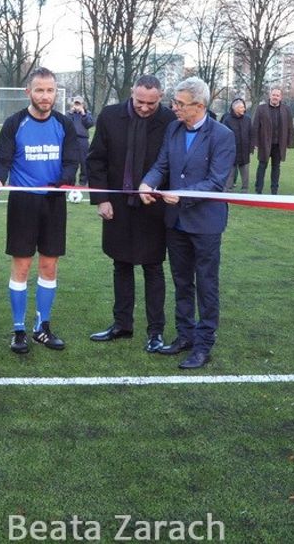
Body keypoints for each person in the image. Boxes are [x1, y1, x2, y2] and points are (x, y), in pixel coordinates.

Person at [138, 76, 235, 370]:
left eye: (180, 104)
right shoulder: (174, 129)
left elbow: (216, 182)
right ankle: (185, 335)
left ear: (199, 105)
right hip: (176, 222)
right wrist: (147, 183)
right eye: (174, 102)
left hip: (205, 223)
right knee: (181, 281)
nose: (174, 108)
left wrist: (180, 196)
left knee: (206, 283)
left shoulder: (222, 135)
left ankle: (204, 345)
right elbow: (162, 164)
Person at [0, 67, 82, 354]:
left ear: (56, 93)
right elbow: (2, 160)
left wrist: (62, 181)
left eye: (50, 90)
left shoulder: (64, 124)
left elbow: (72, 160)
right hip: (23, 201)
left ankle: (42, 327)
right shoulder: (15, 123)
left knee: (49, 265)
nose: (45, 96)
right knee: (22, 266)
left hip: (53, 201)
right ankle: (18, 330)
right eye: (39, 90)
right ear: (29, 92)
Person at [86, 75, 177, 352]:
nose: (146, 107)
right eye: (140, 101)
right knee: (121, 264)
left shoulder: (170, 121)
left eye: (152, 102)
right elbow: (96, 160)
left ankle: (155, 332)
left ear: (161, 97)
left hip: (154, 206)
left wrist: (162, 190)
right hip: (118, 205)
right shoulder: (110, 116)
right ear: (131, 93)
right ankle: (122, 325)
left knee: (153, 267)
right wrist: (101, 199)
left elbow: (173, 163)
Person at [251, 87, 294, 194]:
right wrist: (255, 143)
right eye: (273, 95)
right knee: (262, 166)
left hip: (279, 144)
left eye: (277, 95)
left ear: (281, 97)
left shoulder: (286, 109)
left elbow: (290, 127)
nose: (275, 97)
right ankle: (258, 189)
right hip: (264, 143)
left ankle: (274, 190)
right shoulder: (261, 109)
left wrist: (289, 143)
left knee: (276, 167)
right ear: (270, 96)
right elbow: (255, 126)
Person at [222, 98, 253, 192]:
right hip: (231, 152)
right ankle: (228, 190)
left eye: (244, 107)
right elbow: (223, 136)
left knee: (245, 173)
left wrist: (251, 148)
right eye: (241, 107)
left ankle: (245, 190)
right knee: (230, 173)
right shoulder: (227, 120)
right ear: (235, 108)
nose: (244, 109)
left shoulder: (247, 119)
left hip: (244, 151)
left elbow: (251, 134)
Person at [68, 95, 94, 185]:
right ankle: (71, 182)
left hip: (83, 140)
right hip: (72, 140)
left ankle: (83, 182)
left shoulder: (87, 113)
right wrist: (71, 113)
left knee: (84, 162)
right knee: (72, 161)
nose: (77, 105)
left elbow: (90, 124)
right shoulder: (69, 114)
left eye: (79, 103)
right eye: (76, 103)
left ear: (83, 104)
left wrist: (83, 114)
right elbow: (66, 124)